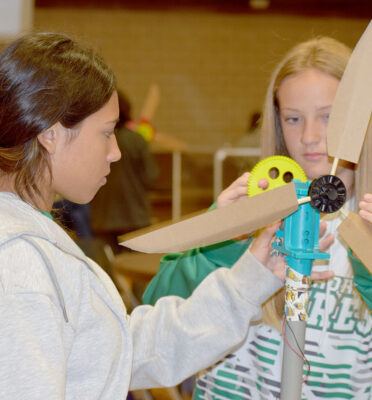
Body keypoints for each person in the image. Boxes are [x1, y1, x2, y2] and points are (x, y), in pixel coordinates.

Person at [0, 31, 305, 400]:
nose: (115, 152)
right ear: (51, 134)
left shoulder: (33, 244)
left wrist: (251, 278)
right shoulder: (18, 265)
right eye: (107, 133)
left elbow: (122, 350)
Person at [142, 37, 372, 399]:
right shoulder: (250, 210)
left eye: (328, 116)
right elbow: (156, 311)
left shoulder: (367, 224)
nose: (310, 137)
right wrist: (224, 240)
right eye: (293, 119)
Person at [90, 90, 158, 254]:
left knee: (110, 272)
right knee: (136, 269)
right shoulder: (136, 140)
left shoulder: (94, 140)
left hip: (103, 218)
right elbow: (151, 176)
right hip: (135, 217)